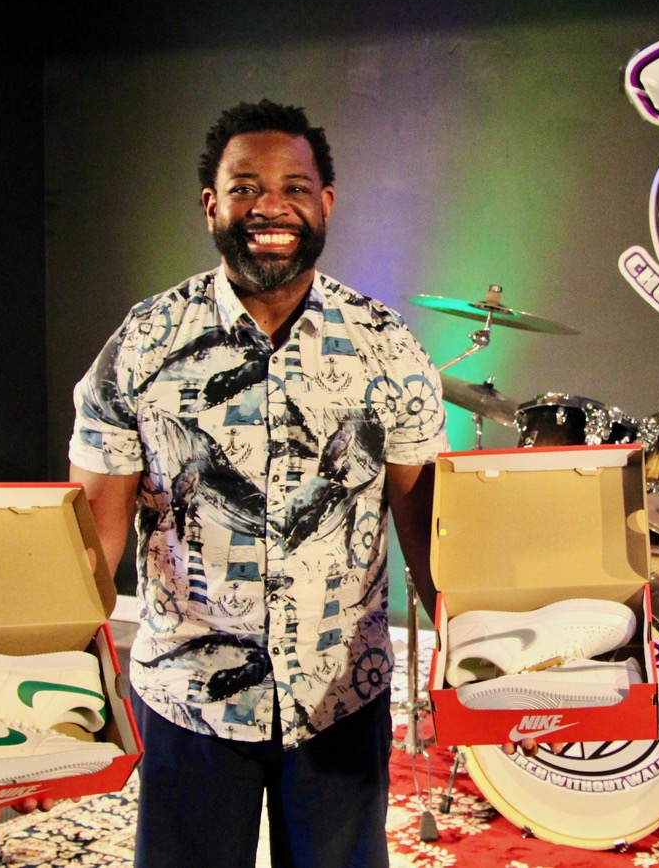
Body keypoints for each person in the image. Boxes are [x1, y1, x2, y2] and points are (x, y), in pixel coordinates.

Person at [65, 99, 448, 868]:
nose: (270, 207)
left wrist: (499, 662)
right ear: (211, 205)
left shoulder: (386, 346)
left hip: (341, 699)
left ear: (325, 204)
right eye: (245, 187)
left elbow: (434, 534)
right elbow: (89, 548)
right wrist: (29, 672)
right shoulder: (144, 344)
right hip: (190, 703)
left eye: (294, 188)